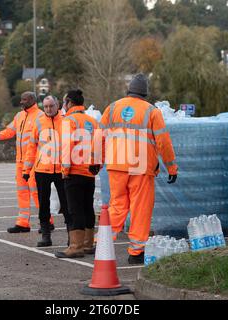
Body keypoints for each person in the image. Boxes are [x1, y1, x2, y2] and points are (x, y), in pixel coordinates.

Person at [98, 73, 178, 264]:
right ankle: (136, 252)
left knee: (117, 205)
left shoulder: (112, 107)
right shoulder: (152, 112)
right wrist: (171, 167)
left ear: (129, 90)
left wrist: (97, 161)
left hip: (116, 165)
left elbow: (99, 136)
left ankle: (102, 243)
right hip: (140, 167)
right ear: (145, 93)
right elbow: (163, 143)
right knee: (140, 209)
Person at [0, 92, 54, 233]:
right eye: (21, 99)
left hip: (34, 162)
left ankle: (47, 221)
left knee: (37, 193)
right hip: (20, 162)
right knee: (22, 192)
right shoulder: (19, 116)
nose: (21, 102)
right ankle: (23, 222)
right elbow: (9, 132)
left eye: (24, 99)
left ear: (32, 100)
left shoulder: (40, 116)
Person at [55, 90, 100, 258]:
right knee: (88, 208)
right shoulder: (93, 121)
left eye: (64, 102)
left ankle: (76, 246)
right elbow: (100, 145)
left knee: (75, 210)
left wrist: (65, 170)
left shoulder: (69, 121)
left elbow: (67, 146)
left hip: (73, 172)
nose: (63, 105)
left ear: (70, 103)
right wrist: (97, 166)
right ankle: (88, 244)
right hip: (89, 172)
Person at [22, 96, 70, 247]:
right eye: (46, 106)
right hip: (42, 169)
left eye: (51, 106)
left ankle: (72, 235)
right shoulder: (39, 122)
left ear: (58, 106)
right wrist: (26, 169)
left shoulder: (66, 120)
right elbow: (31, 147)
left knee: (67, 204)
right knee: (43, 204)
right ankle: (46, 236)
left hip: (61, 169)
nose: (48, 109)